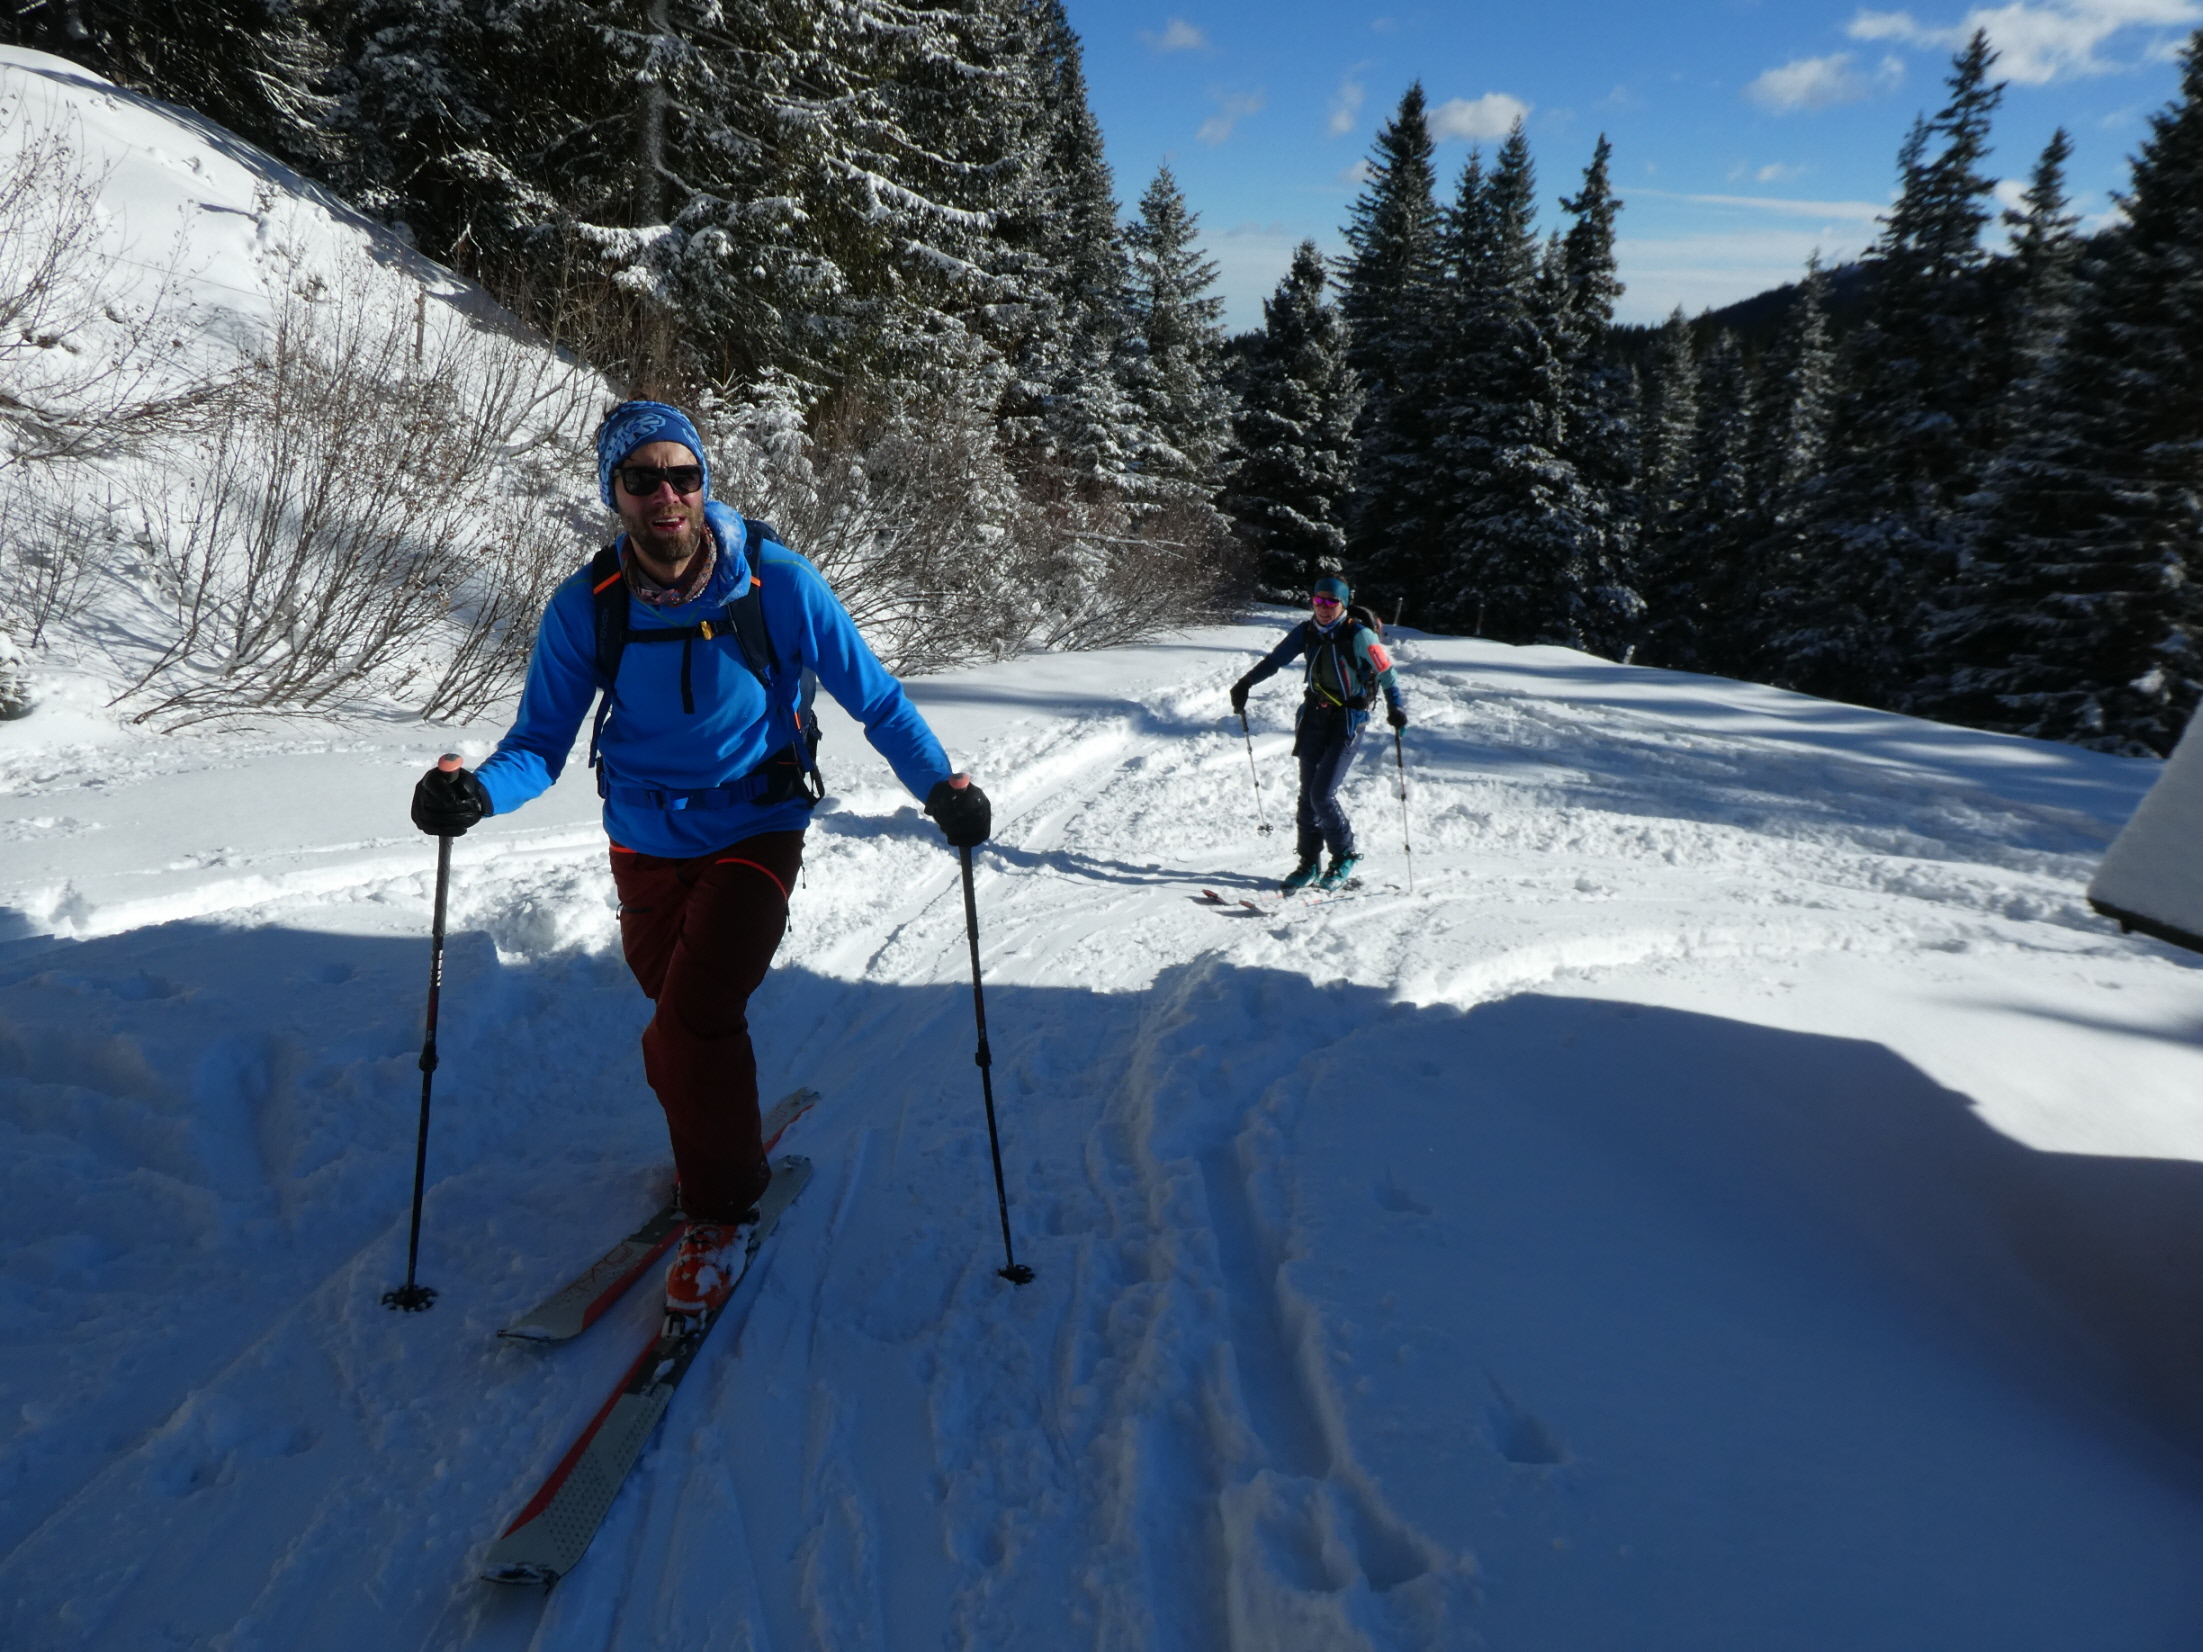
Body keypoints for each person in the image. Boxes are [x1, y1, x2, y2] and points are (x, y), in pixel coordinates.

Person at [408, 399, 989, 1313]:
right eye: (641, 479)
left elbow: (876, 700)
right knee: (677, 1015)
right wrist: (475, 793)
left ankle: (719, 1213)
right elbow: (539, 746)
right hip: (643, 840)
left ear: (703, 483)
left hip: (757, 826)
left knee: (691, 1019)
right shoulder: (587, 605)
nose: (665, 495)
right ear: (614, 494)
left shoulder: (777, 584)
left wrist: (940, 787)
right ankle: (712, 1140)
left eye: (681, 476)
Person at [1230, 575, 1405, 892]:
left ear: (1343, 603)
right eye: (1318, 600)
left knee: (1322, 795)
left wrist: (1396, 708)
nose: (1324, 608)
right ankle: (1308, 862)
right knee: (1307, 796)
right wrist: (1245, 683)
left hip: (1349, 719)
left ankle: (1344, 855)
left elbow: (1386, 673)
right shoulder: (1306, 631)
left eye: (1331, 602)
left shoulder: (1360, 635)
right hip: (1314, 716)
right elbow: (1275, 660)